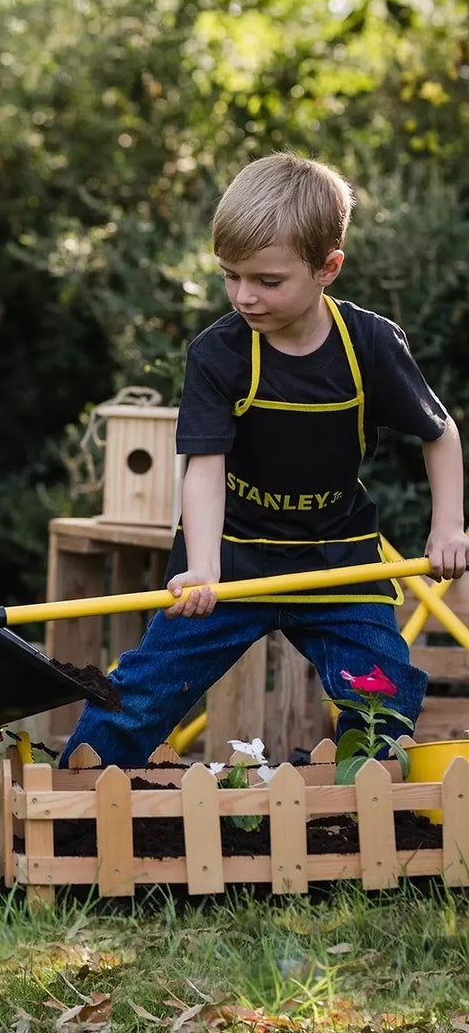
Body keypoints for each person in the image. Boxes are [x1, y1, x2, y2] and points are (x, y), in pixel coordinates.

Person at [62, 152, 469, 768]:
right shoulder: (218, 354)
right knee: (144, 690)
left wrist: (447, 527)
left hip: (338, 561)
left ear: (327, 268)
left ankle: (375, 800)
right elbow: (204, 466)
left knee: (381, 690)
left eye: (267, 281)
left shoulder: (371, 346)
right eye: (231, 276)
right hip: (230, 557)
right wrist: (201, 569)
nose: (244, 296)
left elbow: (440, 434)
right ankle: (71, 797)